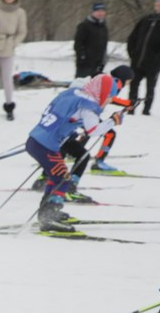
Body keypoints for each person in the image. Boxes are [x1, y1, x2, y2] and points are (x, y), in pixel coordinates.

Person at [25, 73, 121, 232]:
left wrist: (70, 131)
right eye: (110, 96)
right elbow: (93, 130)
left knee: (57, 176)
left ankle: (48, 211)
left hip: (35, 140)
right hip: (46, 146)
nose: (110, 100)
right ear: (102, 92)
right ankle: (48, 216)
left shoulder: (74, 93)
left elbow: (63, 116)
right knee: (62, 178)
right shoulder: (88, 106)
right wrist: (113, 121)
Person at [126, 0, 160, 116]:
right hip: (137, 59)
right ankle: (130, 108)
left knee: (150, 87)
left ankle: (146, 110)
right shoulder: (145, 19)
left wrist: (159, 58)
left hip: (154, 62)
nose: (159, 5)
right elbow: (133, 37)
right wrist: (132, 52)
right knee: (133, 85)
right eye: (158, 2)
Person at [73, 2, 109, 78]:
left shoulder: (103, 27)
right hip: (85, 64)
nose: (100, 13)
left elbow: (104, 45)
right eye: (98, 11)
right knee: (81, 86)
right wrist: (82, 57)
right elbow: (78, 44)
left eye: (102, 11)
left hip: (99, 63)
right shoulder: (84, 26)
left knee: (95, 86)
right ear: (93, 12)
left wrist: (103, 59)